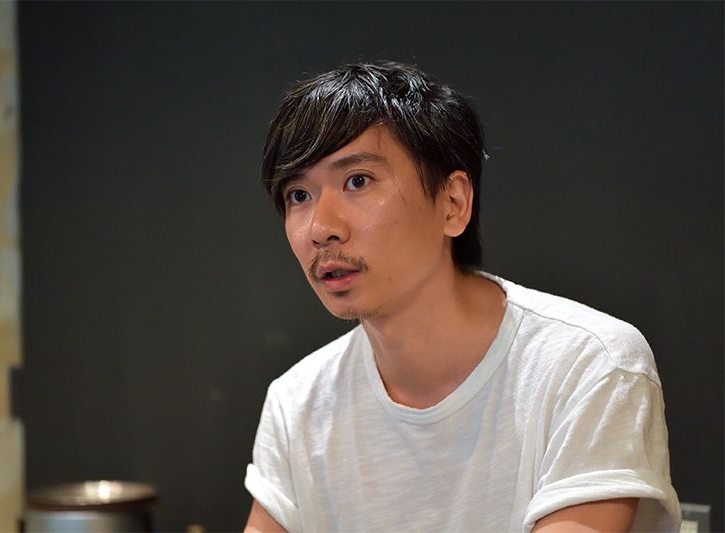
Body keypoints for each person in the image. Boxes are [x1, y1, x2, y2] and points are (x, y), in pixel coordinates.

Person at [244, 61, 680, 532]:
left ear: (453, 203)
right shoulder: (297, 403)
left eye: (358, 181)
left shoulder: (587, 365)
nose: (321, 228)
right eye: (298, 195)